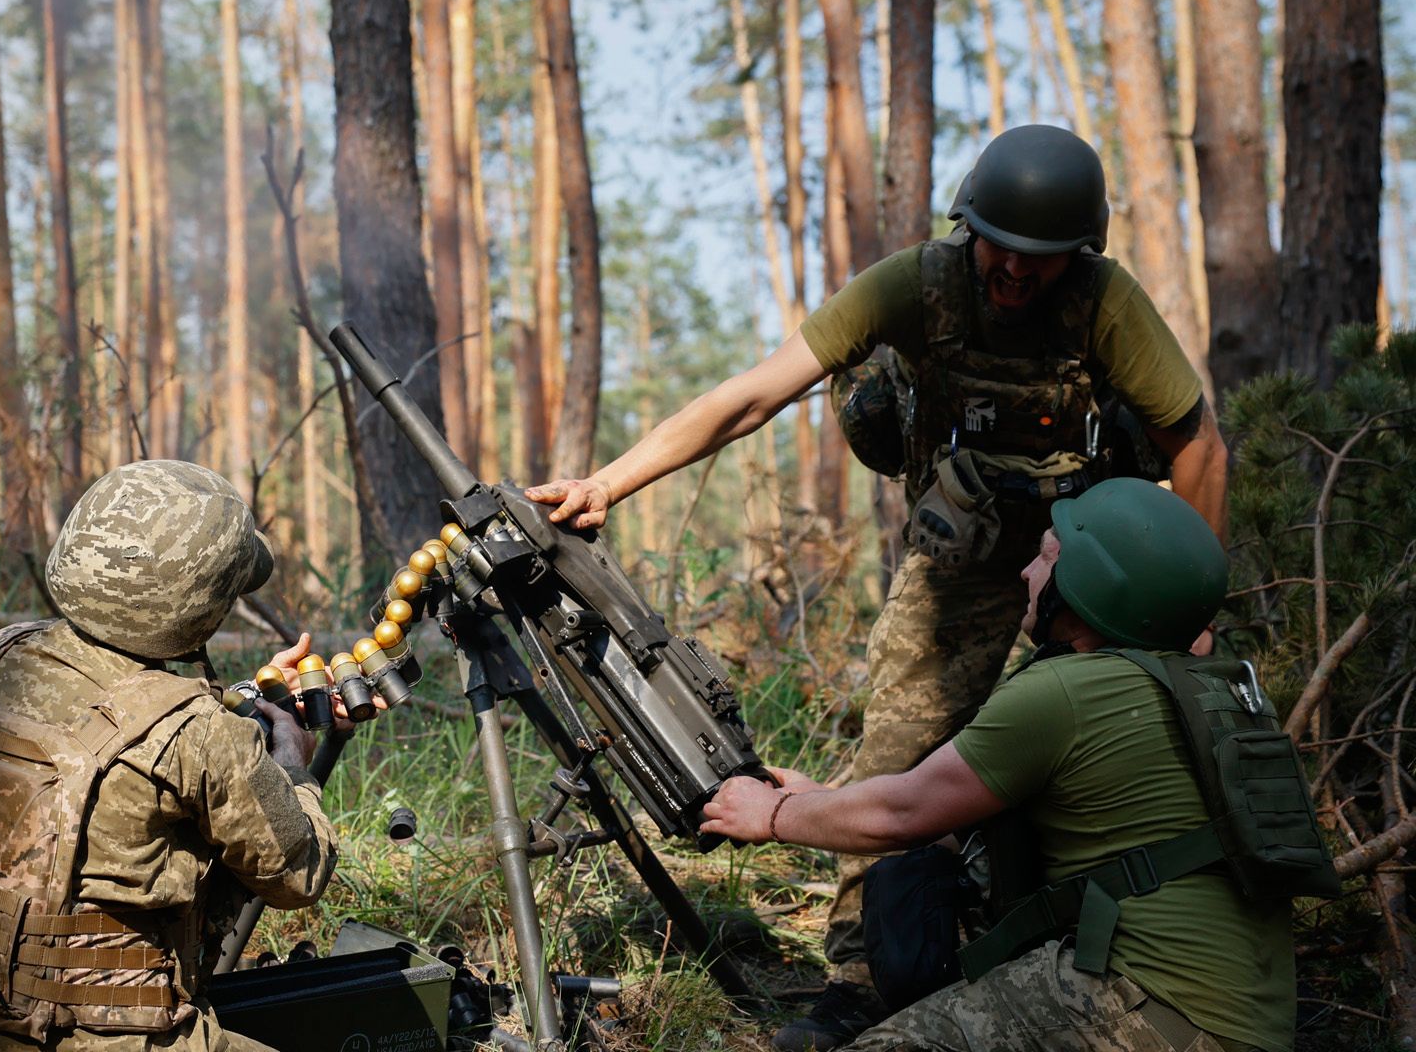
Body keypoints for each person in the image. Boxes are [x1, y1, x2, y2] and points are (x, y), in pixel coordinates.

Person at [527, 125, 1229, 1046]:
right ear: (969, 227)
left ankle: (1096, 951)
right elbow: (755, 394)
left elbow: (1198, 445)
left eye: (1043, 257)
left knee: (1119, 745)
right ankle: (859, 981)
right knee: (896, 750)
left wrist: (1187, 617)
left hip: (1087, 559)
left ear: (1080, 252)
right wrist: (609, 482)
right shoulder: (913, 285)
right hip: (961, 558)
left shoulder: (1106, 301)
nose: (1017, 271)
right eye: (1000, 248)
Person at [698, 479, 1322, 1052]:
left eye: (1047, 556)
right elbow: (959, 822)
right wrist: (816, 800)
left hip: (1155, 1009)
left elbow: (903, 812)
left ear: (1090, 584)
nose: (1026, 570)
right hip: (1246, 1025)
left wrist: (772, 813)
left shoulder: (1066, 691)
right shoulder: (1205, 689)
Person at [0, 461, 339, 1052]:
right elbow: (298, 874)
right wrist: (295, 767)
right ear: (203, 607)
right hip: (88, 1038)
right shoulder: (199, 735)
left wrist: (242, 701)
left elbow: (121, 715)